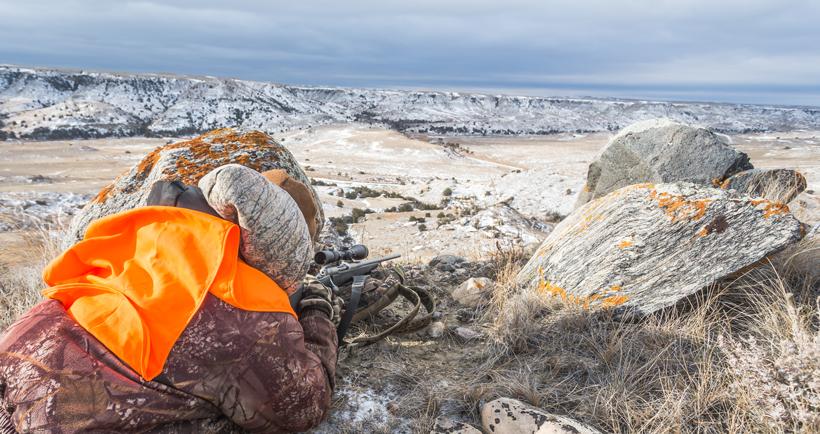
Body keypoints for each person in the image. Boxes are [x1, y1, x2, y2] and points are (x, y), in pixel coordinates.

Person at [0, 164, 338, 433]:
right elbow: (302, 407)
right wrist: (317, 312)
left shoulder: (146, 237)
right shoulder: (242, 308)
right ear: (280, 253)